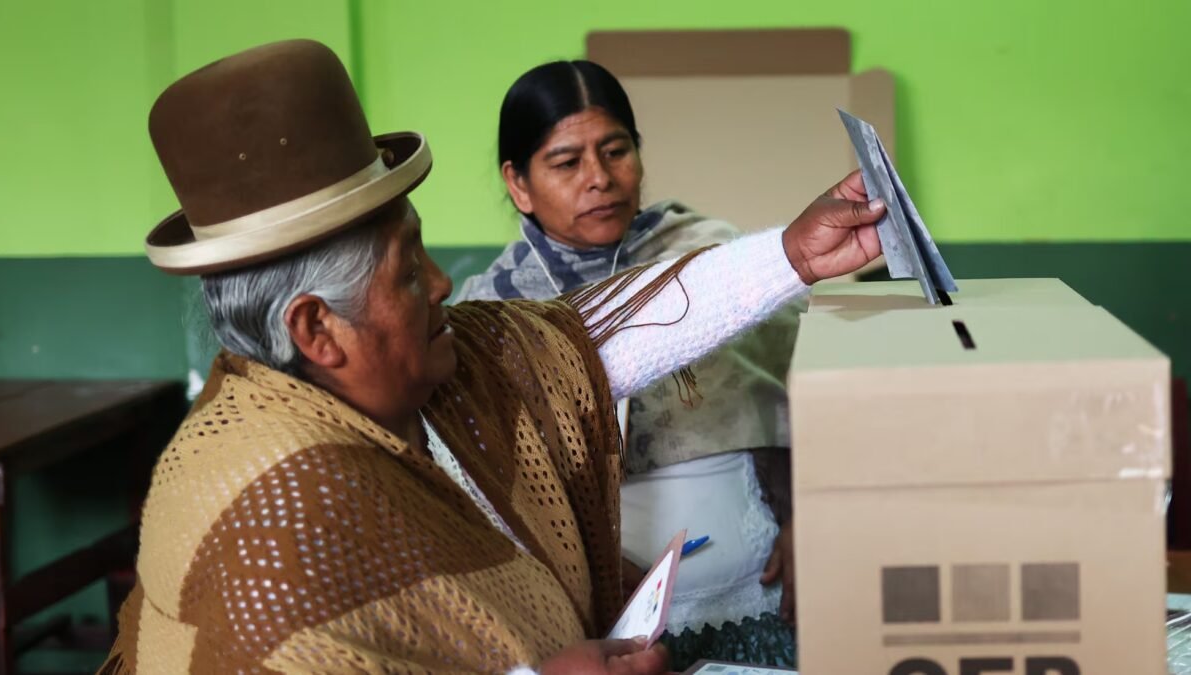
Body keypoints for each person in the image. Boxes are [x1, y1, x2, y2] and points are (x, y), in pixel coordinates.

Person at [104, 40, 884, 674]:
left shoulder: (397, 377)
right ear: (317, 329)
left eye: (614, 151)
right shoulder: (267, 518)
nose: (442, 284)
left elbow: (584, 341)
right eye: (409, 271)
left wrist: (791, 256)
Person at [457, 60, 803, 657]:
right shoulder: (490, 312)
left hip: (764, 593)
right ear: (518, 183)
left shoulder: (714, 262)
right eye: (567, 162)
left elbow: (802, 395)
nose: (600, 178)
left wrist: (811, 515)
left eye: (615, 151)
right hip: (601, 633)